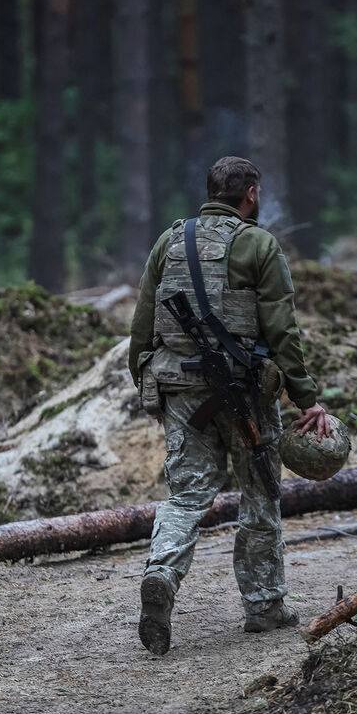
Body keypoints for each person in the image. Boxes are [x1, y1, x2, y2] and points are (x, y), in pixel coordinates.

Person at [128, 156, 330, 656]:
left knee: (187, 496)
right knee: (260, 490)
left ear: (211, 191)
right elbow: (282, 331)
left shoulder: (169, 241)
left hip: (180, 389)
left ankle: (161, 573)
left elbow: (142, 321)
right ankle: (263, 605)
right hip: (245, 394)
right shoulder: (259, 244)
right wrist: (307, 399)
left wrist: (145, 380)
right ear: (252, 193)